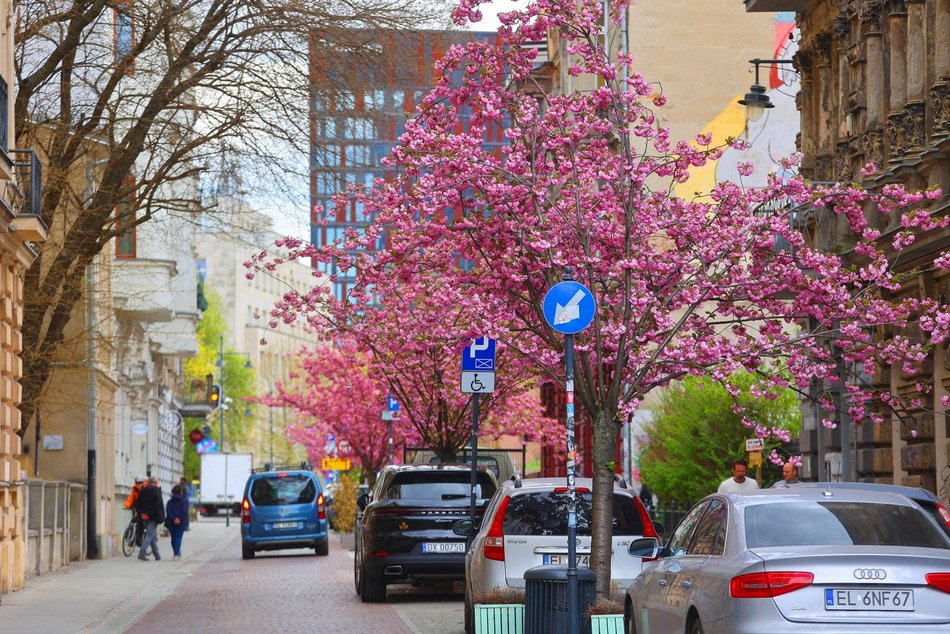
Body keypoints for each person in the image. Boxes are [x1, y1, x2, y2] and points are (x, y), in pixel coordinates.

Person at [137, 476, 165, 561]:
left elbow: (138, 503)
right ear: (155, 483)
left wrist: (142, 514)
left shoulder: (142, 490)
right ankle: (141, 553)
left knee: (152, 536)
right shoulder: (157, 491)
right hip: (153, 517)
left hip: (144, 517)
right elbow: (157, 505)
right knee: (150, 535)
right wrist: (148, 514)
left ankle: (157, 555)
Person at [165, 484, 190, 559]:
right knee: (178, 537)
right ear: (181, 492)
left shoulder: (170, 501)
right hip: (181, 522)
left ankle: (177, 552)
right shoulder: (184, 501)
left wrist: (174, 518)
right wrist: (179, 519)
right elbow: (184, 511)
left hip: (171, 521)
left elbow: (168, 511)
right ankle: (176, 553)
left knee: (173, 538)